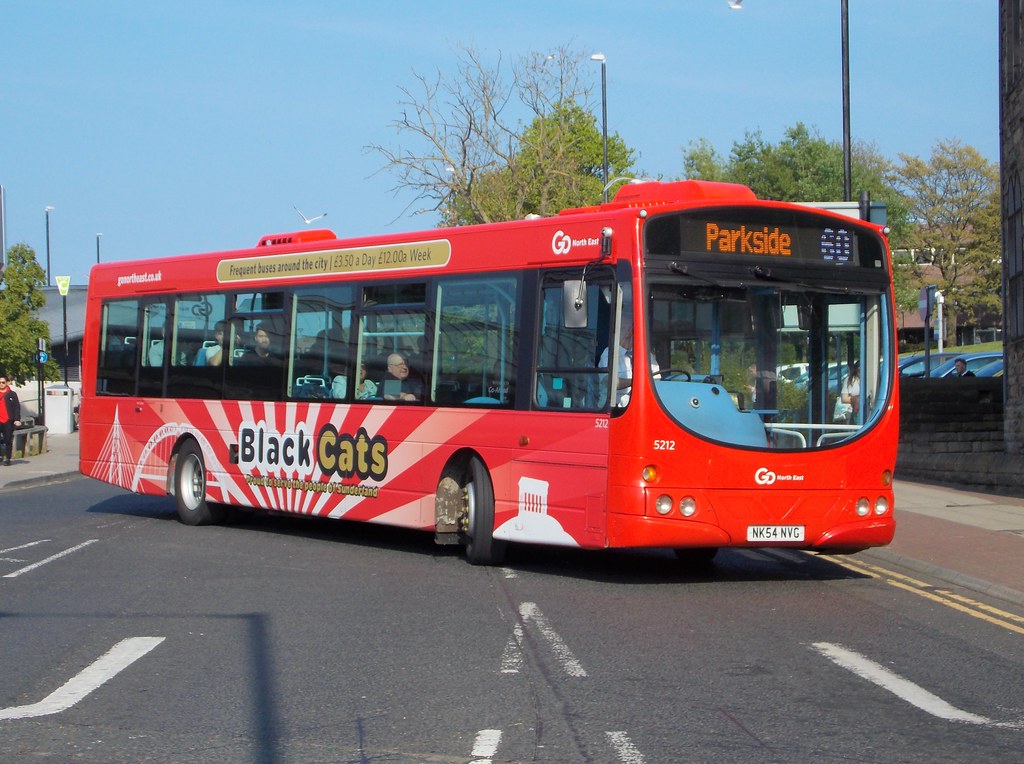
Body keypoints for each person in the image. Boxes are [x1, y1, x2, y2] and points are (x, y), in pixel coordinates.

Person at [598, 322, 659, 407]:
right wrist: (638, 381)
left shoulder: (646, 355)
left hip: (641, 406)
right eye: (623, 328)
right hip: (614, 408)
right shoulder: (609, 353)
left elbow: (657, 380)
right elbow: (610, 382)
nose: (628, 331)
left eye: (630, 328)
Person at [0, 375, 23, 466]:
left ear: (7, 383)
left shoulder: (12, 394)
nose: (1, 384)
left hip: (8, 420)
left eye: (3, 382)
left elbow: (16, 407)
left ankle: (8, 458)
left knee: (8, 440)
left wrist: (17, 419)